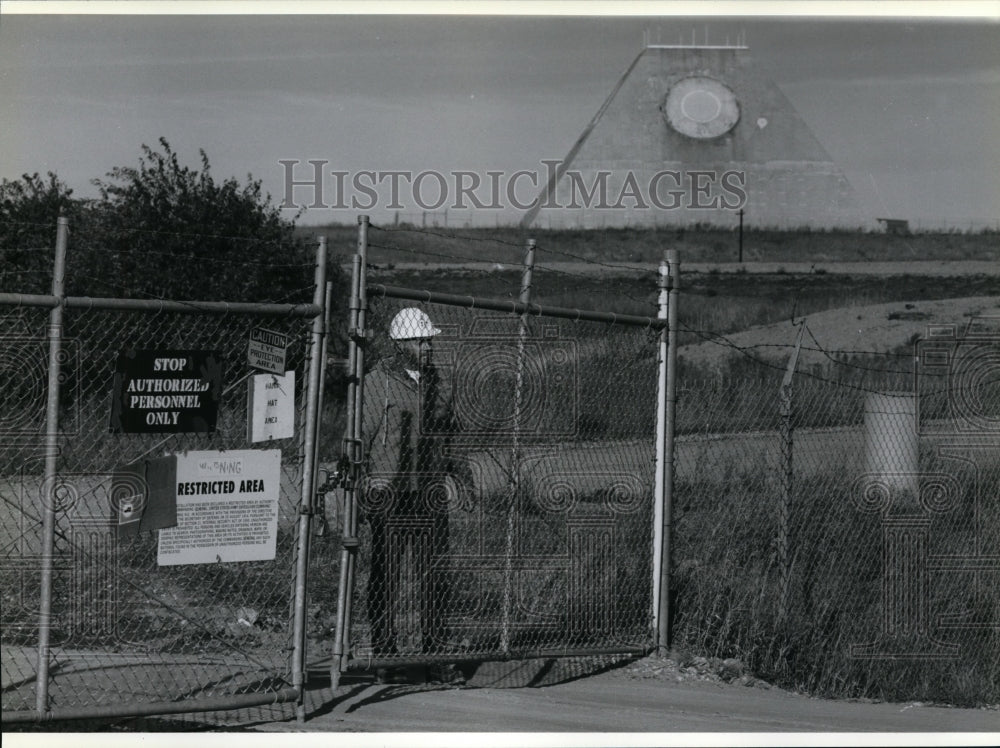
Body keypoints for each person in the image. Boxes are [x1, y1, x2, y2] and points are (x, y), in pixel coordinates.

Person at [360, 307, 462, 681]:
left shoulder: (441, 383)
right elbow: (361, 437)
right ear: (401, 345)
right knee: (386, 576)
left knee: (434, 576)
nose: (428, 347)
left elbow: (450, 433)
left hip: (428, 492)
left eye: (429, 341)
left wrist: (452, 471)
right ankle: (386, 655)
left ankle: (435, 656)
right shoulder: (377, 383)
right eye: (420, 341)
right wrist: (366, 483)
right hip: (389, 491)